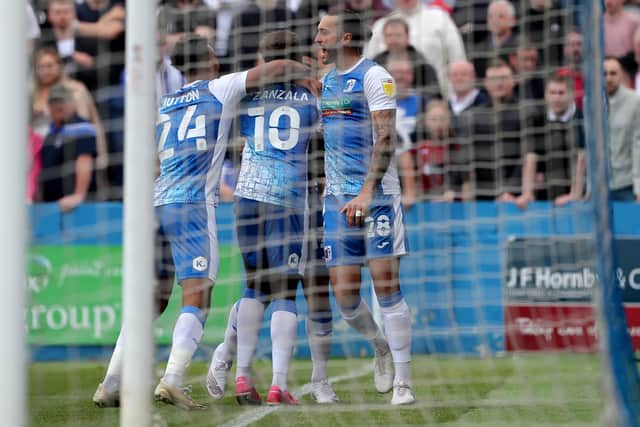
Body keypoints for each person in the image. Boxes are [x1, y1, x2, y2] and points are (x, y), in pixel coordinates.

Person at [92, 33, 315, 410]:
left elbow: (152, 158)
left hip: (156, 203)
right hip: (193, 204)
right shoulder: (220, 88)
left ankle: (112, 381)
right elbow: (275, 69)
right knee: (198, 293)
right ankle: (174, 379)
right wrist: (308, 71)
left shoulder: (165, 103)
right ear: (209, 59)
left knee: (152, 299)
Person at [205, 30, 338, 406]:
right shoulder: (315, 95)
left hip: (247, 195)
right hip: (289, 198)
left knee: (253, 287)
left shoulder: (244, 92)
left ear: (265, 57)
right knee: (285, 291)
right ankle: (279, 383)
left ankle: (243, 376)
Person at [315, 10, 415, 405]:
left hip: (378, 200)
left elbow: (386, 137)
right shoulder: (325, 81)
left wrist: (367, 192)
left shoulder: (376, 77)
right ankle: (381, 346)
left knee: (387, 287)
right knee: (344, 298)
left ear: (346, 38)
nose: (317, 38)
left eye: (323, 32)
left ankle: (404, 383)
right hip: (336, 201)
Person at [365, 0, 466, 97]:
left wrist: (451, 98)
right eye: (390, 36)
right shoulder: (380, 25)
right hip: (387, 102)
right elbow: (366, 66)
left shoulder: (440, 19)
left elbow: (458, 60)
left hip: (435, 99)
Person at [519, 73, 585, 209]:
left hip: (577, 190)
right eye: (552, 93)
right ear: (545, 95)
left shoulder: (582, 120)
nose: (557, 98)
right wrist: (527, 193)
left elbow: (581, 158)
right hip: (546, 189)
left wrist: (575, 194)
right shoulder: (537, 119)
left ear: (572, 94)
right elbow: (531, 157)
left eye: (561, 93)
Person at [38, 84, 97, 211]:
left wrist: (78, 195)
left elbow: (84, 160)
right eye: (54, 102)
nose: (58, 106)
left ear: (73, 103)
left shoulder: (81, 127)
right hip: (50, 206)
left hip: (74, 207)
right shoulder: (51, 133)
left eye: (63, 101)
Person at [602, 56, 640, 201]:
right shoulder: (590, 102)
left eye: (613, 73)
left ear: (622, 75)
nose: (608, 78)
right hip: (599, 185)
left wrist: (639, 187)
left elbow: (638, 145)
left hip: (627, 185)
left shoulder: (635, 102)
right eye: (604, 74)